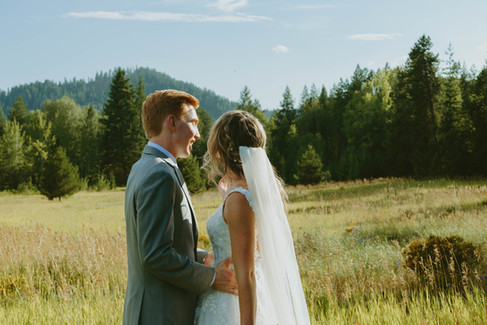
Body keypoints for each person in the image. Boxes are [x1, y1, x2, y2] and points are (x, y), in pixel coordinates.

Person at [123, 90, 237, 325]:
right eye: (193, 123)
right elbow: (155, 254)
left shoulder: (144, 166)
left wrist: (206, 258)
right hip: (162, 314)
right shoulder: (160, 173)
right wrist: (212, 277)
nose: (197, 133)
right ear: (172, 123)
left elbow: (165, 243)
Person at [195, 110, 310, 325]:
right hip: (231, 295)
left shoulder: (239, 199)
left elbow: (246, 274)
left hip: (233, 305)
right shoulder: (245, 194)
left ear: (221, 149)